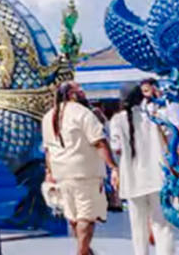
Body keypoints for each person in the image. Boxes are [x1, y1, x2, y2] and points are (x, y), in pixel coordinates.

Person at [43, 81, 118, 255]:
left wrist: (49, 172)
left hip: (61, 173)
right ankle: (82, 252)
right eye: (80, 90)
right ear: (71, 94)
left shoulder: (48, 116)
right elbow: (99, 142)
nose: (84, 93)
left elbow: (48, 150)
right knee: (87, 216)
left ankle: (85, 250)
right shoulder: (83, 113)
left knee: (74, 216)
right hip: (85, 172)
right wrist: (113, 166)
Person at [108, 83, 177, 255]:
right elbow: (170, 138)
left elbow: (116, 147)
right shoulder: (154, 116)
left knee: (138, 228)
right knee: (161, 225)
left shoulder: (117, 120)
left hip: (132, 179)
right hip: (157, 176)